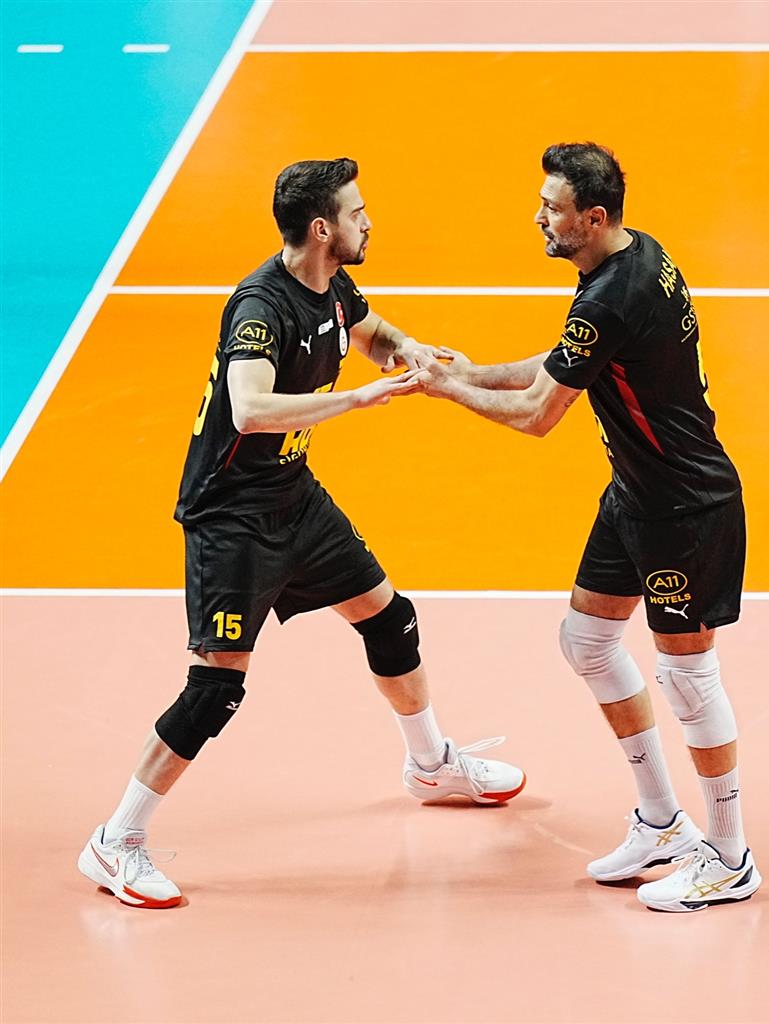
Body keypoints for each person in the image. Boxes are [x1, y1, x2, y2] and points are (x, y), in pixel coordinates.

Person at [78, 158, 525, 910]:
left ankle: (430, 765)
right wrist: (357, 400)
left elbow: (371, 332)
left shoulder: (332, 285)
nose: (368, 221)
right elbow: (250, 409)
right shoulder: (260, 308)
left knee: (390, 618)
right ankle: (115, 840)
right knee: (216, 689)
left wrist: (413, 353)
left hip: (294, 497)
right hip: (233, 516)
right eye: (357, 212)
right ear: (322, 229)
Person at [417, 142, 760, 912]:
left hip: (684, 509)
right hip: (634, 495)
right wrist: (467, 370)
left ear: (593, 218)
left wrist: (447, 391)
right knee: (588, 641)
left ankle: (730, 857)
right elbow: (569, 360)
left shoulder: (609, 296)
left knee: (688, 679)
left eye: (553, 208)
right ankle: (662, 824)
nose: (539, 217)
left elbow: (538, 413)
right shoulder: (639, 255)